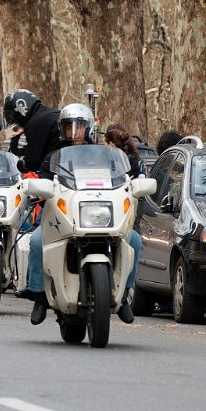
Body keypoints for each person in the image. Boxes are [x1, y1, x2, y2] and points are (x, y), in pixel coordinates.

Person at [26, 104, 139, 325]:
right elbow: (42, 181)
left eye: (79, 126)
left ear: (88, 128)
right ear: (62, 129)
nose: (74, 131)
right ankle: (39, 296)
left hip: (100, 215)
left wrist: (134, 182)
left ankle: (124, 294)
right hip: (61, 216)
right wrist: (39, 190)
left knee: (134, 239)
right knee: (37, 240)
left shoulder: (105, 155)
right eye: (69, 127)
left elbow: (128, 174)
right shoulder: (53, 157)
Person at [3, 89, 60, 174]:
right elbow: (37, 149)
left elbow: (33, 162)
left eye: (13, 117)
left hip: (56, 173)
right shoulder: (52, 113)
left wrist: (22, 164)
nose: (16, 122)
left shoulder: (34, 124)